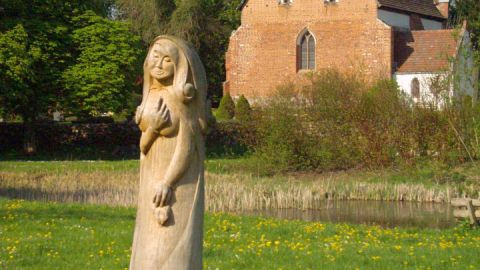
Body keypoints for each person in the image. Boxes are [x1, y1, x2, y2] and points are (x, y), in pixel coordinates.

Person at [130, 35, 207, 270]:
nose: (159, 65)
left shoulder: (180, 98)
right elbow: (144, 147)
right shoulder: (150, 96)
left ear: (180, 67)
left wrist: (168, 183)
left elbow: (186, 147)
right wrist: (152, 128)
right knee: (148, 245)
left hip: (175, 184)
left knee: (170, 248)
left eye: (167, 60)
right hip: (150, 179)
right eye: (155, 57)